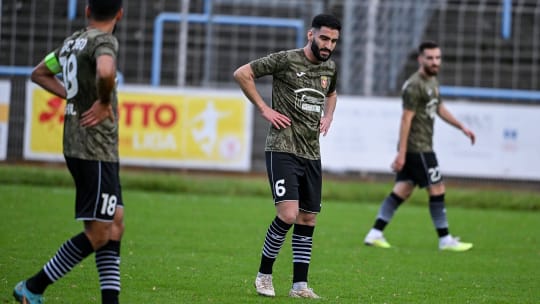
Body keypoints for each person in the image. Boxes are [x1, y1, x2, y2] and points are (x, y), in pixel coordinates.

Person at [13, 1, 124, 303]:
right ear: (119, 14)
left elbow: (39, 73)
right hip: (93, 148)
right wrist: (102, 102)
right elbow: (105, 70)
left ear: (87, 10)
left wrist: (71, 95)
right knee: (100, 232)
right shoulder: (104, 41)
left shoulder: (73, 42)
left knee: (115, 223)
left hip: (83, 146)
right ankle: (33, 287)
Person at [233, 13, 341, 298]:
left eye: (333, 40)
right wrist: (264, 109)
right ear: (311, 35)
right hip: (282, 148)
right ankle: (264, 275)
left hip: (311, 153)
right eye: (324, 38)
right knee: (289, 214)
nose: (328, 45)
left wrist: (329, 116)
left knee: (308, 219)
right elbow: (242, 73)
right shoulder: (286, 59)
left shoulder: (330, 67)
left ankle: (300, 286)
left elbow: (331, 93)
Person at [363, 40, 475, 252]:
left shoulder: (432, 80)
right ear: (420, 59)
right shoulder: (415, 85)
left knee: (403, 189)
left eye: (437, 58)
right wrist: (402, 153)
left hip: (419, 147)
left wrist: (461, 126)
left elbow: (439, 107)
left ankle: (375, 233)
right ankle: (445, 239)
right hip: (418, 148)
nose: (434, 62)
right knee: (437, 187)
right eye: (430, 58)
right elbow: (406, 119)